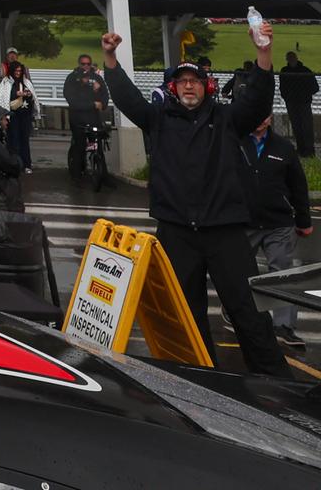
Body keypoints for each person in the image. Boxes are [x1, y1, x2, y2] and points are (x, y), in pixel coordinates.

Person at [100, 25, 291, 377]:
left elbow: (259, 101)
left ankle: (277, 384)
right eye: (183, 81)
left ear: (207, 87)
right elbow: (127, 98)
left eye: (196, 81)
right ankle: (199, 379)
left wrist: (264, 53)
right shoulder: (157, 119)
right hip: (176, 233)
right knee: (186, 313)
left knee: (248, 310)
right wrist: (110, 58)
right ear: (173, 88)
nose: (189, 85)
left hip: (225, 232)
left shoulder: (227, 119)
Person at [240, 115, 313, 350]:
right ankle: (237, 312)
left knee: (282, 272)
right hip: (243, 221)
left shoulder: (283, 147)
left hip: (278, 223)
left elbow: (298, 185)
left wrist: (303, 219)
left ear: (270, 118)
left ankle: (284, 327)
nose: (260, 120)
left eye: (265, 115)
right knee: (237, 271)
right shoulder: (234, 142)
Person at [62, 54, 109, 180]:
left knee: (98, 145)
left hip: (93, 118)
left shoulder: (97, 78)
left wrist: (102, 103)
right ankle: (77, 175)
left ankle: (103, 175)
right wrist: (93, 103)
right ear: (79, 64)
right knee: (80, 146)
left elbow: (105, 95)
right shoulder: (72, 79)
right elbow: (72, 100)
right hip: (77, 118)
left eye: (88, 64)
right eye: (83, 64)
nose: (86, 66)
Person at [0, 60, 39, 171]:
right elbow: (1, 98)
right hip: (13, 116)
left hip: (25, 116)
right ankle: (15, 164)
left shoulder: (26, 82)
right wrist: (16, 94)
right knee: (13, 140)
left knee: (24, 140)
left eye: (20, 71)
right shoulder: (6, 83)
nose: (18, 73)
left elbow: (33, 98)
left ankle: (26, 164)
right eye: (16, 71)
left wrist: (27, 94)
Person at [279, 51, 317, 157]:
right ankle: (303, 150)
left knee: (305, 127)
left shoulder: (287, 71)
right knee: (298, 127)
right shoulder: (304, 70)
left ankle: (308, 150)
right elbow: (283, 88)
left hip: (301, 103)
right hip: (295, 103)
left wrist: (302, 95)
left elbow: (315, 87)